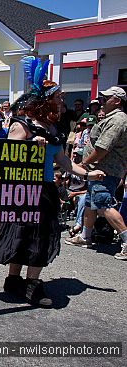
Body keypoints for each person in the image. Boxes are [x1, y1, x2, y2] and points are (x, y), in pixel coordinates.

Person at [0, 57, 105, 307]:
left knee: (40, 236)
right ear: (44, 101)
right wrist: (30, 146)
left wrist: (88, 174)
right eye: (58, 97)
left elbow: (64, 162)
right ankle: (15, 280)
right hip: (24, 189)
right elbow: (5, 156)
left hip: (46, 190)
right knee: (21, 233)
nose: (62, 101)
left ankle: (31, 283)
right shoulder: (23, 125)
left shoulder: (52, 129)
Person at [66, 87, 127, 261]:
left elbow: (102, 148)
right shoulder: (112, 118)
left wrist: (83, 163)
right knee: (91, 204)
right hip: (99, 170)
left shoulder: (118, 120)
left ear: (117, 101)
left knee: (103, 204)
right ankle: (85, 236)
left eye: (107, 98)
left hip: (105, 170)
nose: (102, 101)